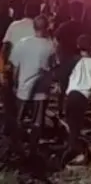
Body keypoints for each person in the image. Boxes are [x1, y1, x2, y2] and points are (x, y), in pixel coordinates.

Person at [9, 14, 55, 154]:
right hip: (41, 91)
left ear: (33, 27)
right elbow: (53, 67)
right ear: (46, 28)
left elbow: (15, 67)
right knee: (37, 121)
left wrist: (15, 84)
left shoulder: (22, 43)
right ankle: (33, 147)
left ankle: (17, 145)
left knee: (20, 118)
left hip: (23, 88)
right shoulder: (50, 45)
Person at [62, 34, 91, 166]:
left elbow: (64, 77)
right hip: (83, 97)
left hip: (72, 94)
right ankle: (75, 148)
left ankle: (75, 151)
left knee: (72, 125)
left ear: (78, 46)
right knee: (77, 123)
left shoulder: (73, 60)